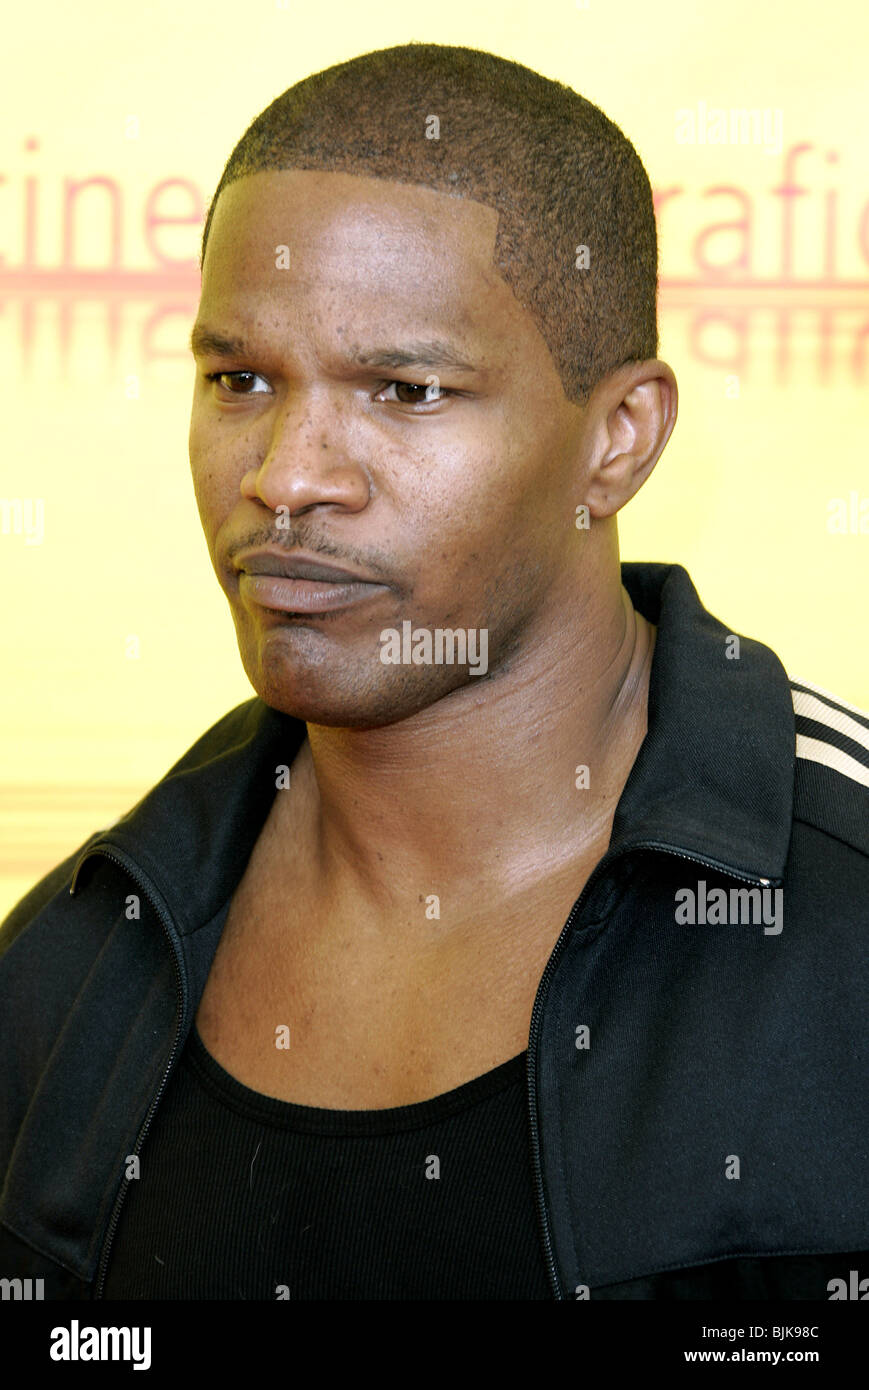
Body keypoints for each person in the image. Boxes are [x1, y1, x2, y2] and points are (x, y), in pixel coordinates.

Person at [1, 43, 867, 1302]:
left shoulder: (840, 912)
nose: (288, 476)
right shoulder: (82, 953)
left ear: (615, 443)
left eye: (405, 390)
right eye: (238, 379)